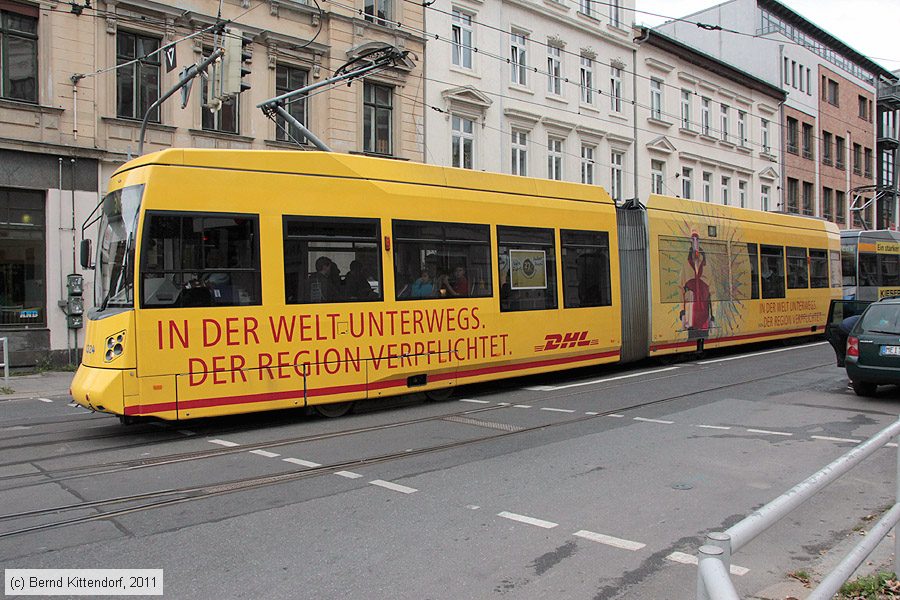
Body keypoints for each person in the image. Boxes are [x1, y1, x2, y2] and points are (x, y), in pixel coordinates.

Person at [680, 231, 713, 339]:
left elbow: (713, 293)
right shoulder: (686, 266)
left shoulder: (707, 266)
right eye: (693, 240)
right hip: (691, 316)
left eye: (697, 240)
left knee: (705, 339)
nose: (695, 243)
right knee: (691, 339)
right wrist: (683, 314)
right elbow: (680, 290)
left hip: (704, 315)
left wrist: (712, 317)